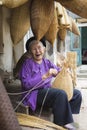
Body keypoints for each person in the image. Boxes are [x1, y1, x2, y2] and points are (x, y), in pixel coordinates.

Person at [19, 36, 82, 130]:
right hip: (34, 94)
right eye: (34, 49)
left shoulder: (47, 62)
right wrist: (44, 76)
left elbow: (58, 71)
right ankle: (61, 124)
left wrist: (64, 71)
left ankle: (68, 118)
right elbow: (25, 84)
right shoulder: (27, 64)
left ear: (44, 49)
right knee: (60, 94)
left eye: (39, 47)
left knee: (76, 93)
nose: (37, 51)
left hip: (48, 90)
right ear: (29, 52)